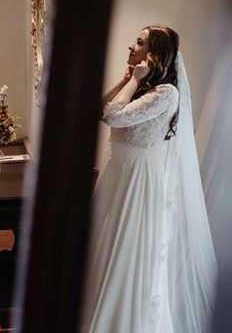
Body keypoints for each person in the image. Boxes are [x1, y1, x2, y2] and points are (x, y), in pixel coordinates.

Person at [80, 25, 216, 332]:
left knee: (125, 253)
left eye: (139, 42)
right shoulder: (141, 88)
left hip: (138, 181)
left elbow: (114, 116)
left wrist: (135, 81)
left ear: (153, 53)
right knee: (103, 249)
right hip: (118, 174)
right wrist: (127, 80)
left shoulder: (167, 94)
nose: (131, 46)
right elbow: (97, 109)